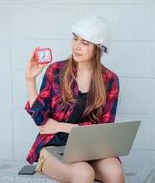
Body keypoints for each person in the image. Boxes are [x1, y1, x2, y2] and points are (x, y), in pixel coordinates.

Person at [24, 15, 124, 183]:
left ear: (98, 49)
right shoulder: (55, 71)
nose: (76, 46)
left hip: (91, 148)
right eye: (75, 39)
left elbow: (103, 129)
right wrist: (30, 80)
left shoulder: (110, 80)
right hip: (54, 145)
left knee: (115, 173)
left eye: (85, 43)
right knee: (83, 174)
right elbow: (42, 122)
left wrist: (61, 126)